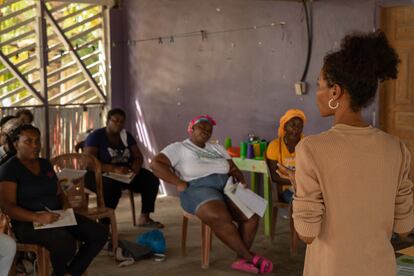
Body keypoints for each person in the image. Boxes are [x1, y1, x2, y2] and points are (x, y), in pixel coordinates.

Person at [277, 30, 414, 276]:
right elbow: (404, 228)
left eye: (319, 85)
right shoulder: (397, 149)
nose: (317, 93)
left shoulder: (310, 149)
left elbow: (307, 234)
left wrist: (299, 186)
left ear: (335, 93)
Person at [150, 115, 273, 274]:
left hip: (226, 186)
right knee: (219, 216)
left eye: (209, 129)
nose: (206, 131)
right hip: (197, 188)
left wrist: (242, 182)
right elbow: (156, 164)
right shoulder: (179, 147)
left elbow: (233, 168)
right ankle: (249, 257)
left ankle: (240, 259)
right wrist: (178, 182)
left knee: (252, 216)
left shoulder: (216, 148)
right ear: (192, 128)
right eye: (202, 127)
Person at [0, 124, 108, 276]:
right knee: (65, 242)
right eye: (28, 141)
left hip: (57, 216)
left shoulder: (44, 164)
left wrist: (65, 204)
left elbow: (58, 191)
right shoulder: (9, 169)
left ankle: (70, 273)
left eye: (37, 141)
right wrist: (37, 217)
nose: (35, 146)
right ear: (16, 144)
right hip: (28, 223)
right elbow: (7, 206)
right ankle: (60, 272)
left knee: (99, 233)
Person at [84, 108, 163, 228]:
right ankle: (104, 226)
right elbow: (89, 163)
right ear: (107, 121)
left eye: (122, 121)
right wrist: (113, 169)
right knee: (111, 187)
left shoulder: (126, 135)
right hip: (98, 174)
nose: (119, 124)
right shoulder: (96, 136)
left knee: (151, 179)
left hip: (124, 174)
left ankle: (144, 218)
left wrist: (136, 167)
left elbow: (138, 156)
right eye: (115, 120)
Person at [266, 109, 306, 203]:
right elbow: (275, 177)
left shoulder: (306, 144)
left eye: (299, 126)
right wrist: (298, 182)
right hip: (286, 190)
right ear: (284, 126)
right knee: (299, 202)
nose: (296, 129)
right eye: (292, 125)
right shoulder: (275, 146)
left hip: (305, 188)